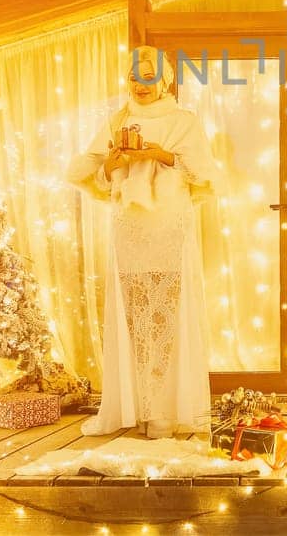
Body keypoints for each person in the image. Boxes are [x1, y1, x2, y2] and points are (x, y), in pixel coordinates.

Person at [67, 46, 215, 438]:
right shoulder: (118, 120)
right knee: (134, 318)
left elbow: (202, 173)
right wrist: (116, 163)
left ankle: (165, 409)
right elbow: (97, 174)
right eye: (134, 76)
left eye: (148, 76)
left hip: (168, 226)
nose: (140, 84)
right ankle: (136, 406)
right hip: (129, 228)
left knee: (166, 313)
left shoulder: (183, 121)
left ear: (163, 79)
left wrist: (160, 155)